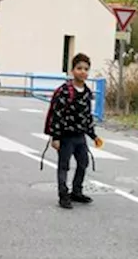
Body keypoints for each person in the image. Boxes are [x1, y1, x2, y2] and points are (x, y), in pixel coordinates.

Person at [44, 53, 103, 209]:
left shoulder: (87, 93)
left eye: (86, 69)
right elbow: (57, 115)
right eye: (79, 68)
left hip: (80, 136)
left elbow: (87, 116)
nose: (83, 72)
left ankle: (77, 191)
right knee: (64, 166)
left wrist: (93, 135)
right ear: (72, 71)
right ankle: (63, 194)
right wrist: (55, 137)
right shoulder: (64, 91)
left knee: (83, 163)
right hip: (66, 136)